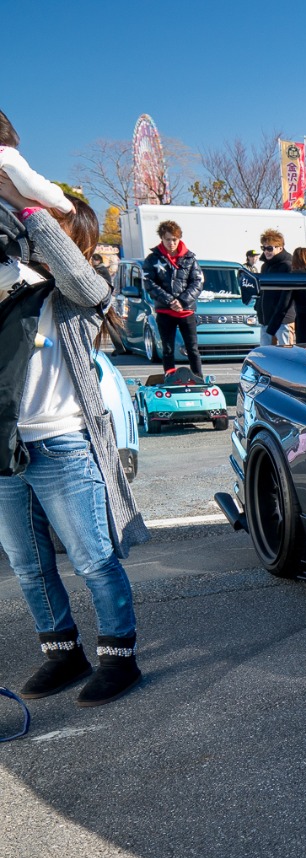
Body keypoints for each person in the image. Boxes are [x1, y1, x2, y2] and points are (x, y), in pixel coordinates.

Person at [0, 194, 148, 707]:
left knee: (93, 561)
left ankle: (119, 657)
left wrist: (26, 199)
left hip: (62, 442)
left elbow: (75, 275)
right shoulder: (12, 284)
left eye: (52, 225)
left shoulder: (84, 294)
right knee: (26, 563)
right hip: (7, 446)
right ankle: (62, 652)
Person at [142, 220, 204, 376]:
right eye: (168, 239)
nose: (171, 243)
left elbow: (197, 282)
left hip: (186, 311)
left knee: (192, 349)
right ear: (162, 239)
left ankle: (198, 378)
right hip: (165, 312)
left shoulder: (190, 258)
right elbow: (149, 283)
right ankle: (170, 377)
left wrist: (182, 301)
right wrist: (170, 301)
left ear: (179, 238)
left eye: (174, 239)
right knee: (168, 349)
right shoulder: (152, 259)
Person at [256, 229, 295, 346]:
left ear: (280, 248)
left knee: (286, 352)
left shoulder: (288, 265)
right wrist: (258, 307)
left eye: (270, 248)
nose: (266, 251)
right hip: (266, 319)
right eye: (263, 248)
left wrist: (280, 314)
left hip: (283, 320)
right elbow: (262, 291)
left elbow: (287, 296)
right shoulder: (265, 266)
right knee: (265, 353)